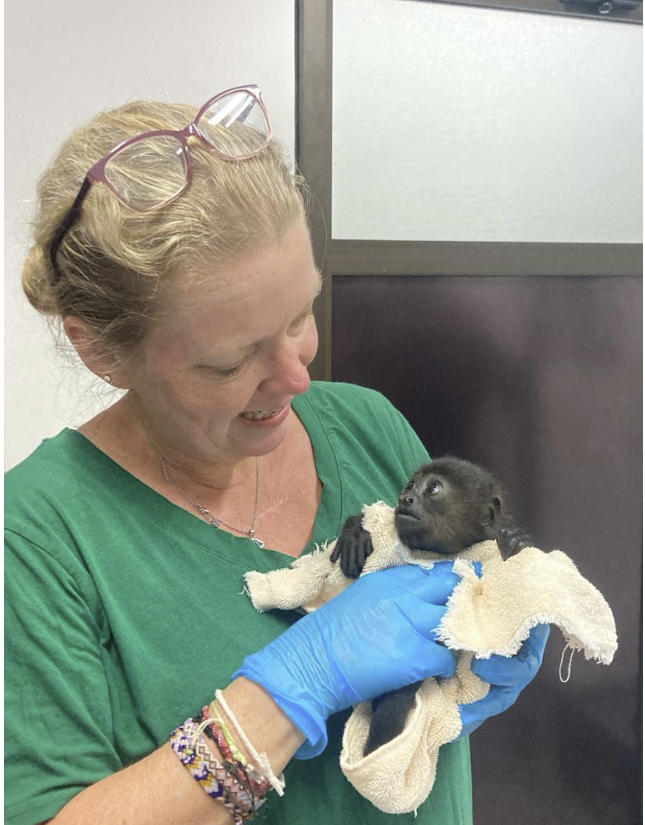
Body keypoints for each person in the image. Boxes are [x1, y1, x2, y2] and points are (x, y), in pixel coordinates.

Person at [5, 85, 549, 825]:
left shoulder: (364, 423)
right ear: (101, 350)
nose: (297, 377)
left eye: (299, 316)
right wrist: (289, 687)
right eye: (230, 362)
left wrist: (473, 673)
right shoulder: (39, 534)